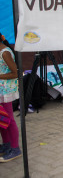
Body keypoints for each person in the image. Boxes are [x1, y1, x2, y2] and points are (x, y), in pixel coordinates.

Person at [0, 34, 21, 163]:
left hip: (6, 91)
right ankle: (7, 145)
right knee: (2, 119)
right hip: (1, 90)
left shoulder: (5, 53)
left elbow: (15, 73)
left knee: (9, 120)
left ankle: (15, 149)